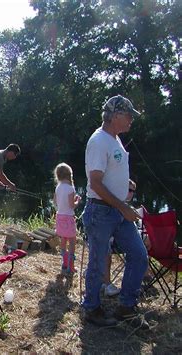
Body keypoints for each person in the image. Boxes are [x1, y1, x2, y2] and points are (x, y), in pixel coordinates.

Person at [82, 95, 149, 329]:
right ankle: (91, 308)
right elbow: (96, 183)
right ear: (115, 116)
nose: (131, 119)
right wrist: (123, 206)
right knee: (98, 263)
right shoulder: (99, 141)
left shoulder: (115, 139)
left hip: (117, 211)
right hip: (101, 211)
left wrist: (124, 181)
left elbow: (109, 172)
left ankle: (126, 306)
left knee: (139, 255)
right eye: (128, 115)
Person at [53, 163, 81, 273]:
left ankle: (64, 263)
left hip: (59, 216)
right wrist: (77, 200)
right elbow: (72, 205)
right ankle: (71, 266)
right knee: (72, 241)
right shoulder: (70, 188)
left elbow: (55, 202)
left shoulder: (58, 187)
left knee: (63, 239)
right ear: (69, 174)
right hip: (69, 217)